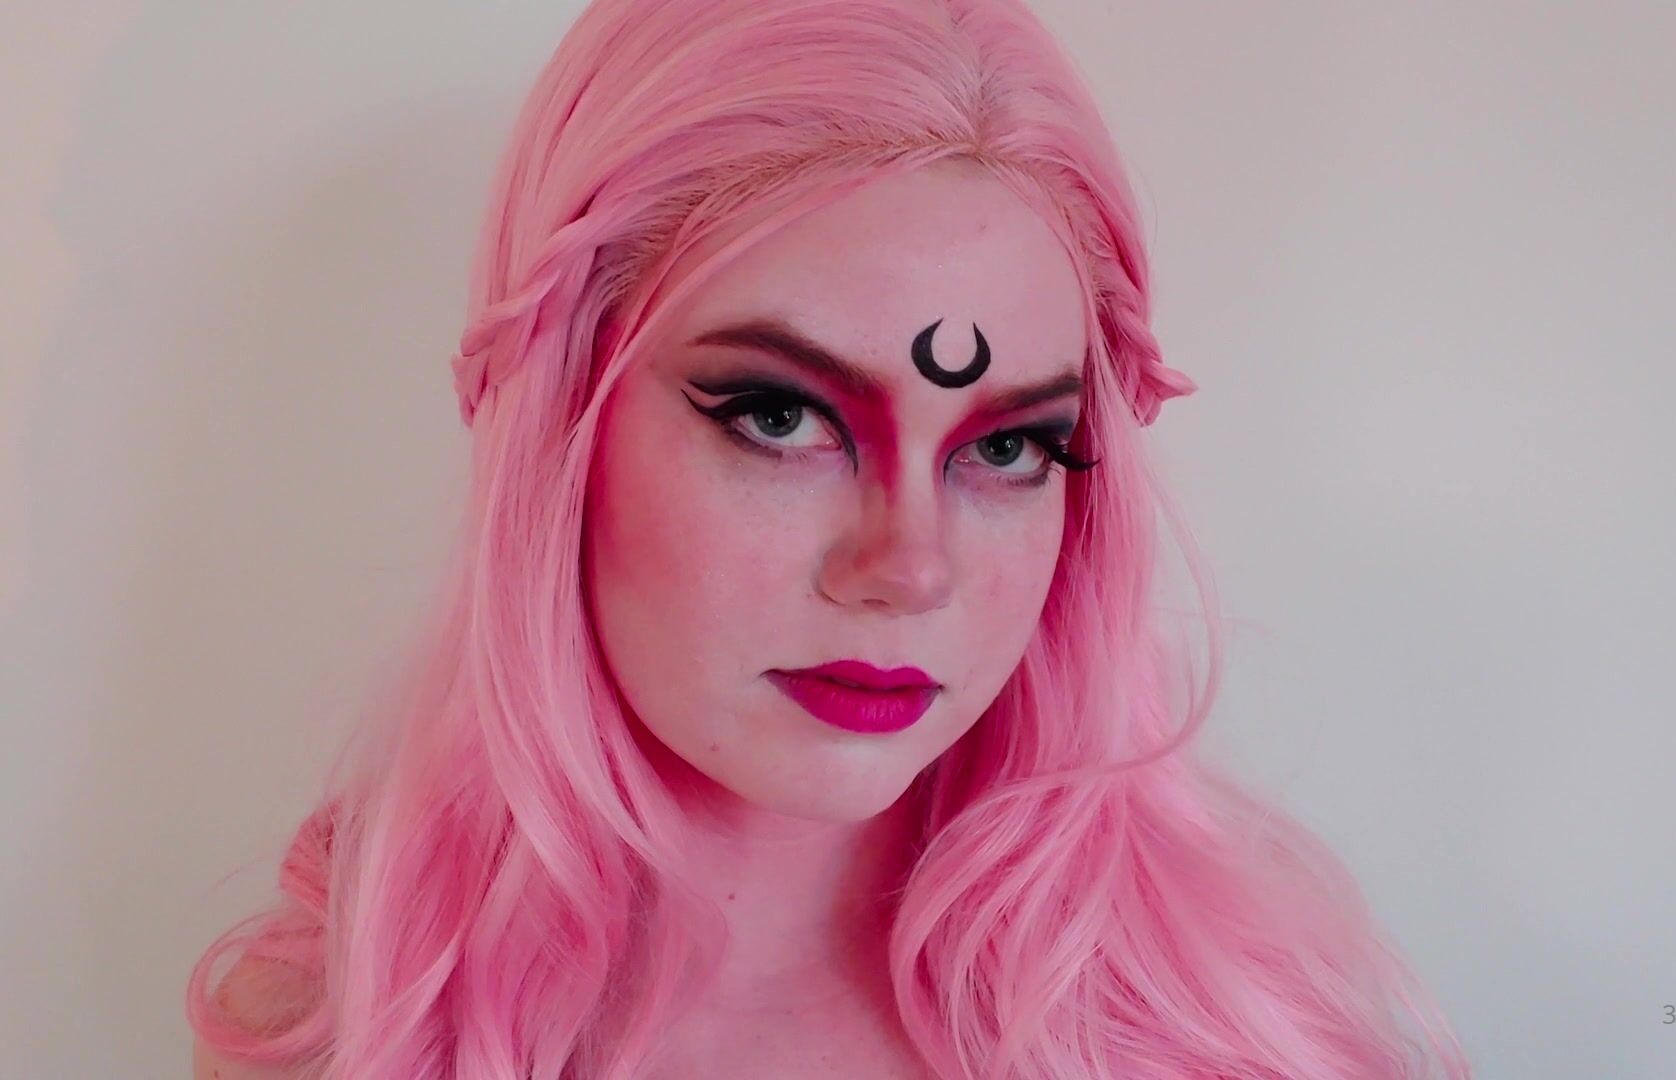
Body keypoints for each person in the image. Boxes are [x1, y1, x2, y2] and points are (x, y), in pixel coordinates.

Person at [187, 1, 1473, 1077]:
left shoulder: (1239, 1035)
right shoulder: (333, 1033)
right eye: (780, 416)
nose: (907, 569)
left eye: (1007, 448)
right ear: (558, 412)